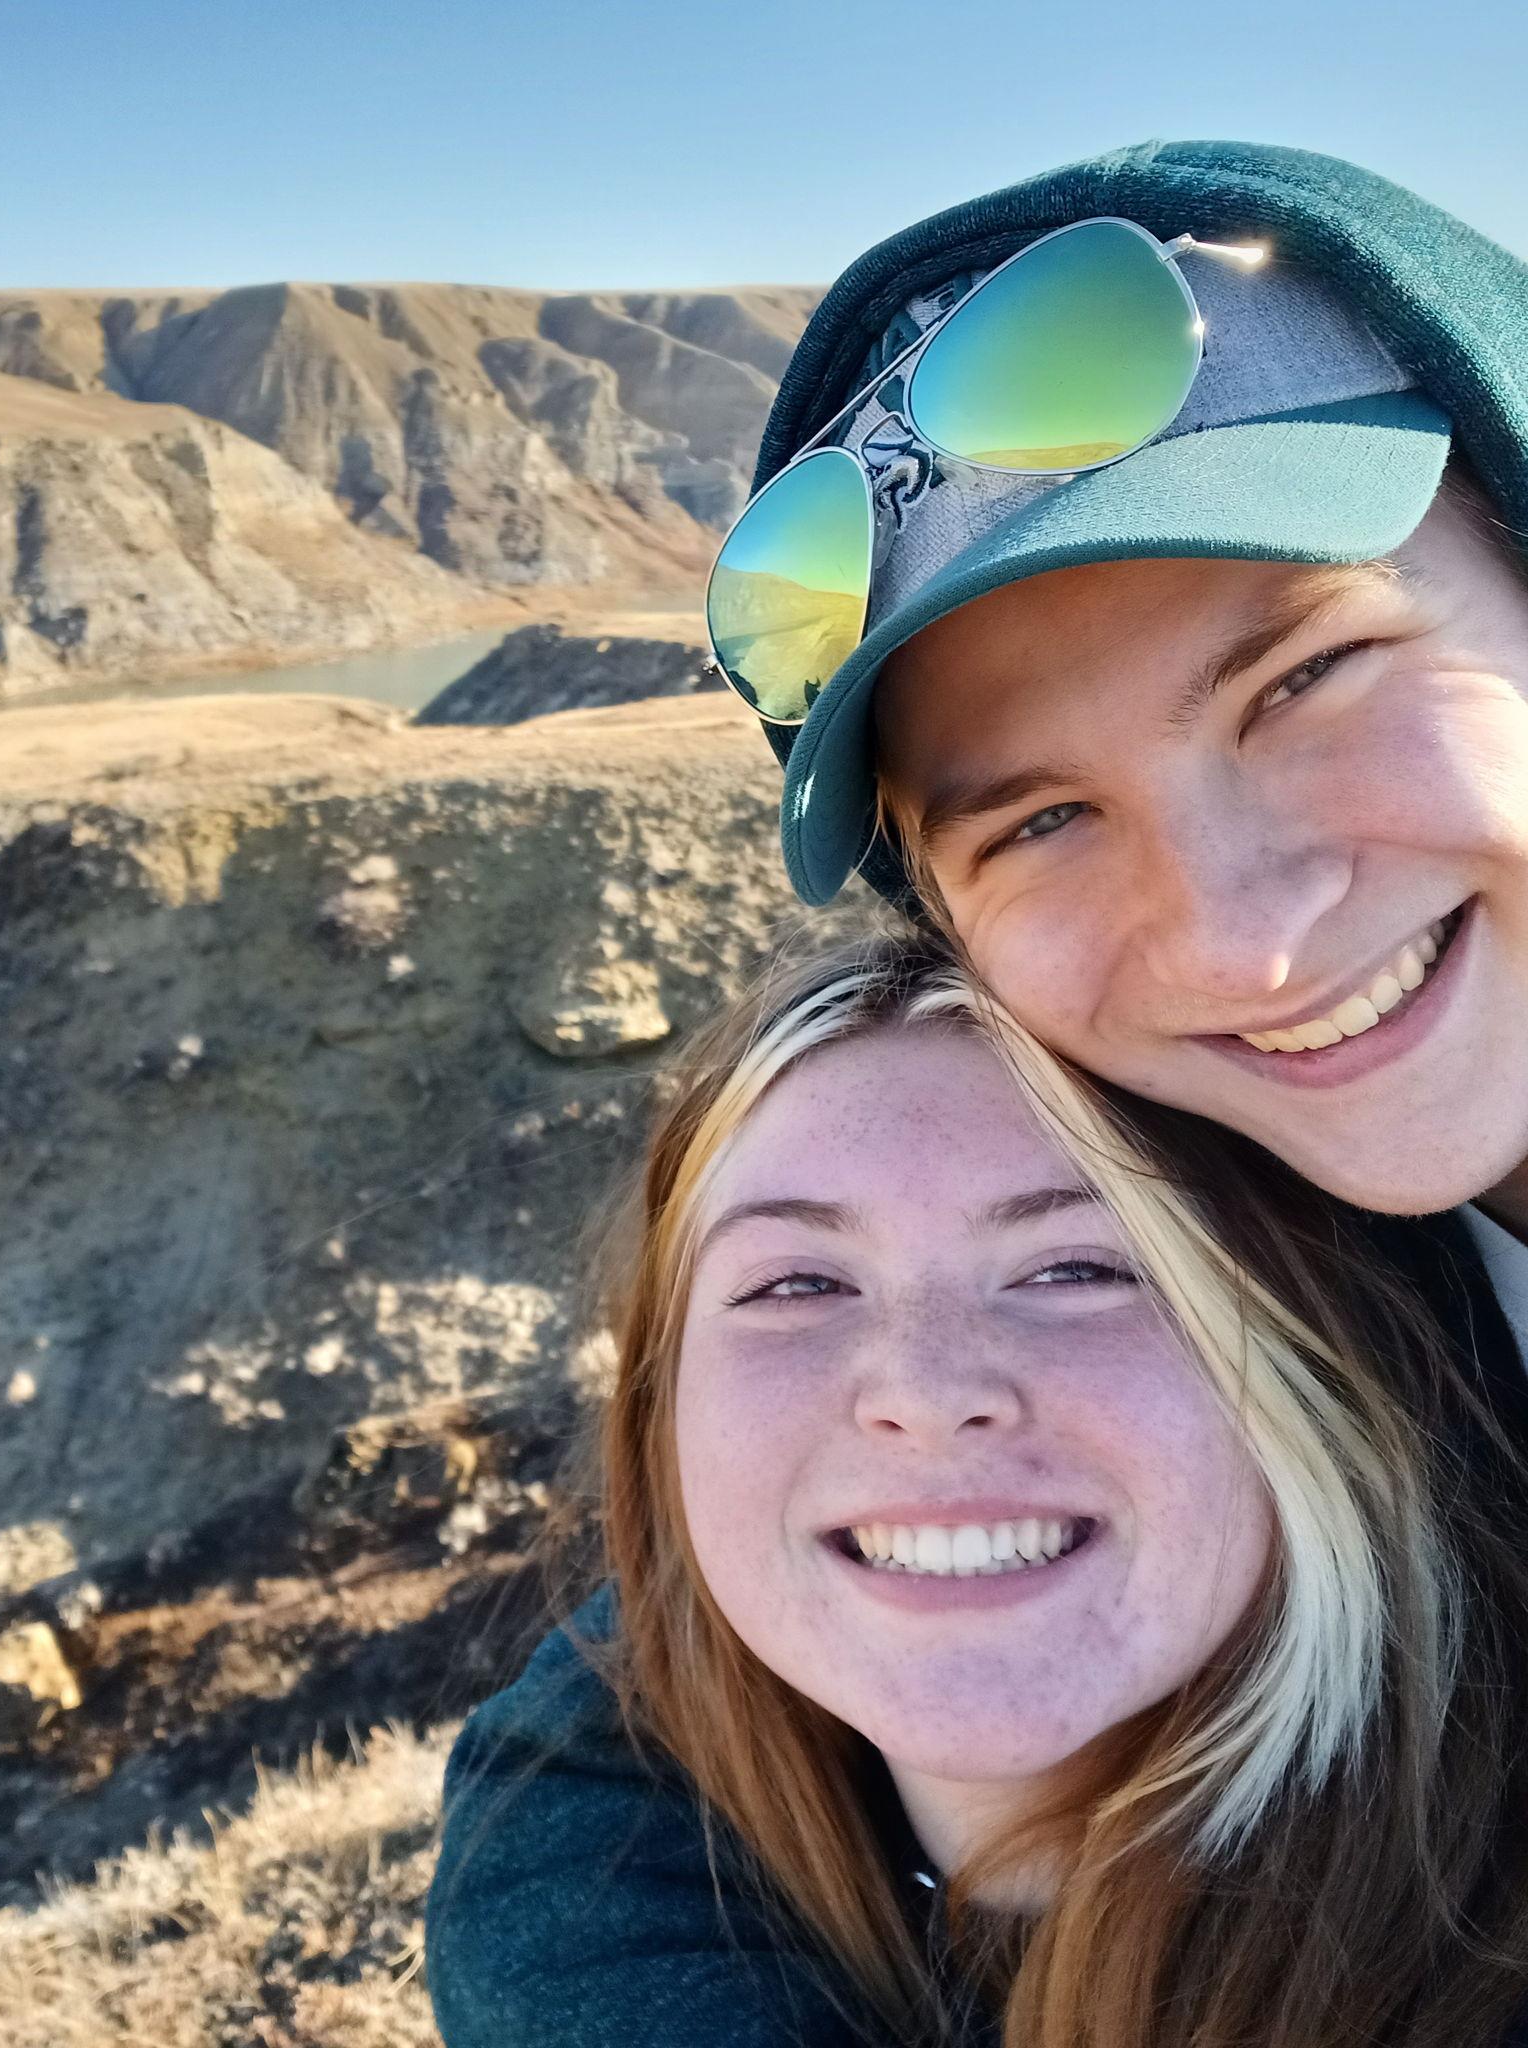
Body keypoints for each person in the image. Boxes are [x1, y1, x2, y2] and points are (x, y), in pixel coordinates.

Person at [427, 138, 1528, 2042]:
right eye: (1034, 820)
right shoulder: (1275, 1199)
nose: (1240, 942)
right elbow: (618, 1738)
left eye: (1304, 678)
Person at [429, 935, 1528, 2047]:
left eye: (1077, 1268)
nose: (924, 1392)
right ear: (660, 1413)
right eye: (797, 1282)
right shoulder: (579, 1840)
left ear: (1325, 1378)